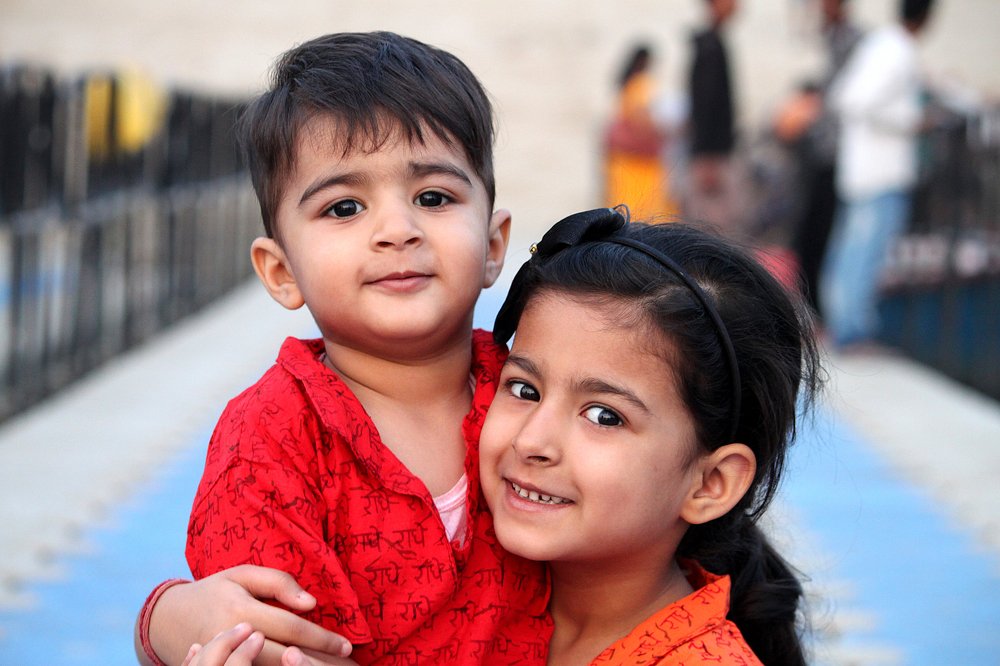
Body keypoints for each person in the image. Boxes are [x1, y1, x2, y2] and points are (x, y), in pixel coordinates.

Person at [134, 31, 551, 666]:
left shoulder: (539, 395)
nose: (397, 230)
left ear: (494, 246)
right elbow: (279, 643)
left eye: (433, 198)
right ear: (282, 273)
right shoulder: (269, 439)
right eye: (345, 207)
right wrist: (164, 621)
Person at [482, 208, 821, 664]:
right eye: (525, 390)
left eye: (604, 416)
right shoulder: (463, 583)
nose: (530, 442)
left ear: (711, 483)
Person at [820, 0, 936, 349]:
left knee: (851, 250)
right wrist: (911, 120)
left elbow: (843, 95)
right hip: (880, 173)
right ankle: (851, 330)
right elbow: (855, 100)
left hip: (864, 171)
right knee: (864, 253)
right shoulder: (897, 50)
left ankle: (844, 325)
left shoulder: (878, 44)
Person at [783, 0, 863, 316]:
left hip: (835, 155)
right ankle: (809, 304)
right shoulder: (831, 39)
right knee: (809, 231)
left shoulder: (852, 41)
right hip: (819, 152)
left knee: (821, 232)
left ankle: (816, 306)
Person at [602, 44, 677, 221]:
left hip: (625, 160)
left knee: (624, 210)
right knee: (644, 212)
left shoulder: (626, 85)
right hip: (640, 163)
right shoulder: (641, 85)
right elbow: (642, 120)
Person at [685, 0, 741, 237]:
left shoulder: (714, 42)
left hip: (713, 153)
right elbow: (704, 104)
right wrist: (706, 157)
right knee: (710, 230)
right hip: (711, 156)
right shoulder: (708, 46)